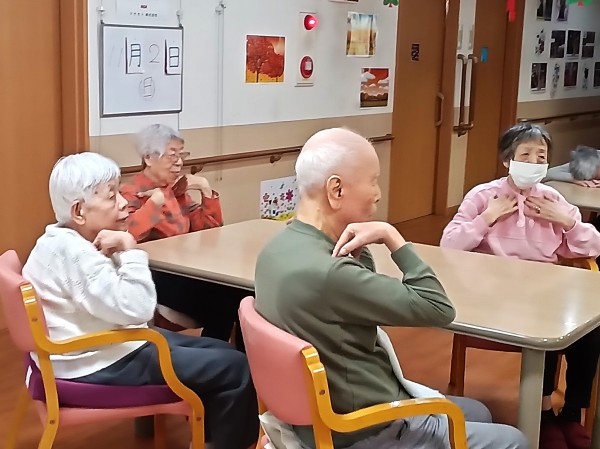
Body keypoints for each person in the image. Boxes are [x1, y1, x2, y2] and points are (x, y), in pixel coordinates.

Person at [255, 128, 528, 449]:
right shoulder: (331, 273)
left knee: (479, 411)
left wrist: (360, 249)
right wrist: (392, 237)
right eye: (373, 180)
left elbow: (353, 298)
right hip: (364, 427)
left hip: (316, 415)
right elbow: (438, 308)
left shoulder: (276, 249)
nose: (378, 193)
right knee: (515, 441)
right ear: (336, 190)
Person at [22, 153, 258, 449]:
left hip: (88, 350)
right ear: (79, 211)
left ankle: (209, 440)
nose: (123, 203)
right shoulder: (78, 255)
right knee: (235, 368)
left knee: (221, 351)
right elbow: (139, 309)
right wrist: (130, 250)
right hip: (97, 363)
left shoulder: (55, 240)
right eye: (112, 197)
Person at [441, 123, 600, 449]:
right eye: (525, 155)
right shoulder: (483, 196)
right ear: (507, 160)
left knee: (589, 326)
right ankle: (544, 413)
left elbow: (592, 247)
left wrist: (567, 221)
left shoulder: (553, 199)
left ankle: (572, 412)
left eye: (540, 156)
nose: (533, 162)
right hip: (493, 295)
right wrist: (487, 218)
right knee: (547, 322)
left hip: (543, 291)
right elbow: (449, 245)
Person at [120, 124, 247, 347]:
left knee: (242, 297)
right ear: (149, 158)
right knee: (228, 302)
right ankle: (217, 355)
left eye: (181, 155)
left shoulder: (176, 189)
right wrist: (155, 202)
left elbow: (210, 232)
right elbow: (129, 235)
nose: (179, 162)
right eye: (172, 155)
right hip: (156, 276)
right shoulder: (131, 192)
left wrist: (206, 189)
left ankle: (229, 357)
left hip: (187, 271)